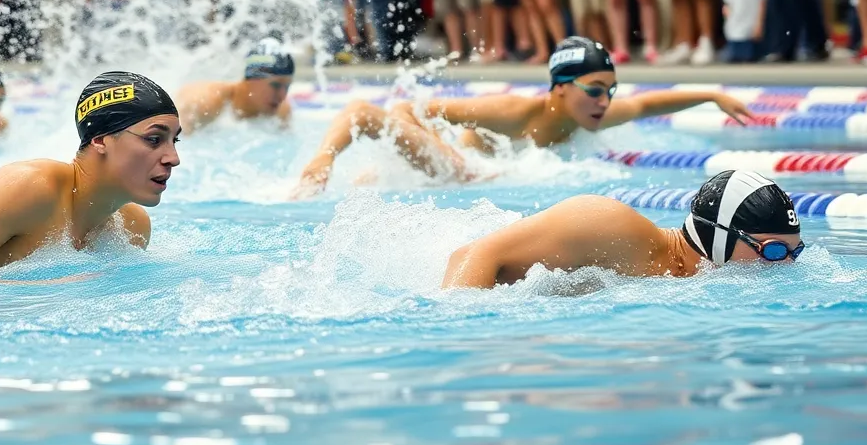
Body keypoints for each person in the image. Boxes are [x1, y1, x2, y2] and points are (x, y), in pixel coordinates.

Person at [292, 37, 752, 195]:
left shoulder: (591, 113)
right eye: (595, 90)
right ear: (559, 88)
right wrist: (436, 157)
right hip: (462, 167)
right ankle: (321, 164)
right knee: (370, 117)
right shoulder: (513, 112)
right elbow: (401, 110)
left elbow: (648, 104)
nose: (605, 101)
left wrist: (711, 95)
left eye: (610, 91)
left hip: (473, 171)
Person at [0, 71, 179, 288]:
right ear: (101, 140)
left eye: (174, 141)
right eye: (154, 139)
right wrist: (36, 289)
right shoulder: (29, 187)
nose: (173, 158)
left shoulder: (132, 227)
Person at [442, 169, 802, 288]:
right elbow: (472, 254)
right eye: (773, 251)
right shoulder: (611, 226)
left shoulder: (688, 281)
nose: (785, 265)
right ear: (719, 236)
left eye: (794, 253)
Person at [176, 38, 295, 131]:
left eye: (287, 86)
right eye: (275, 85)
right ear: (252, 79)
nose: (282, 95)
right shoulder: (206, 104)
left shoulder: (281, 111)